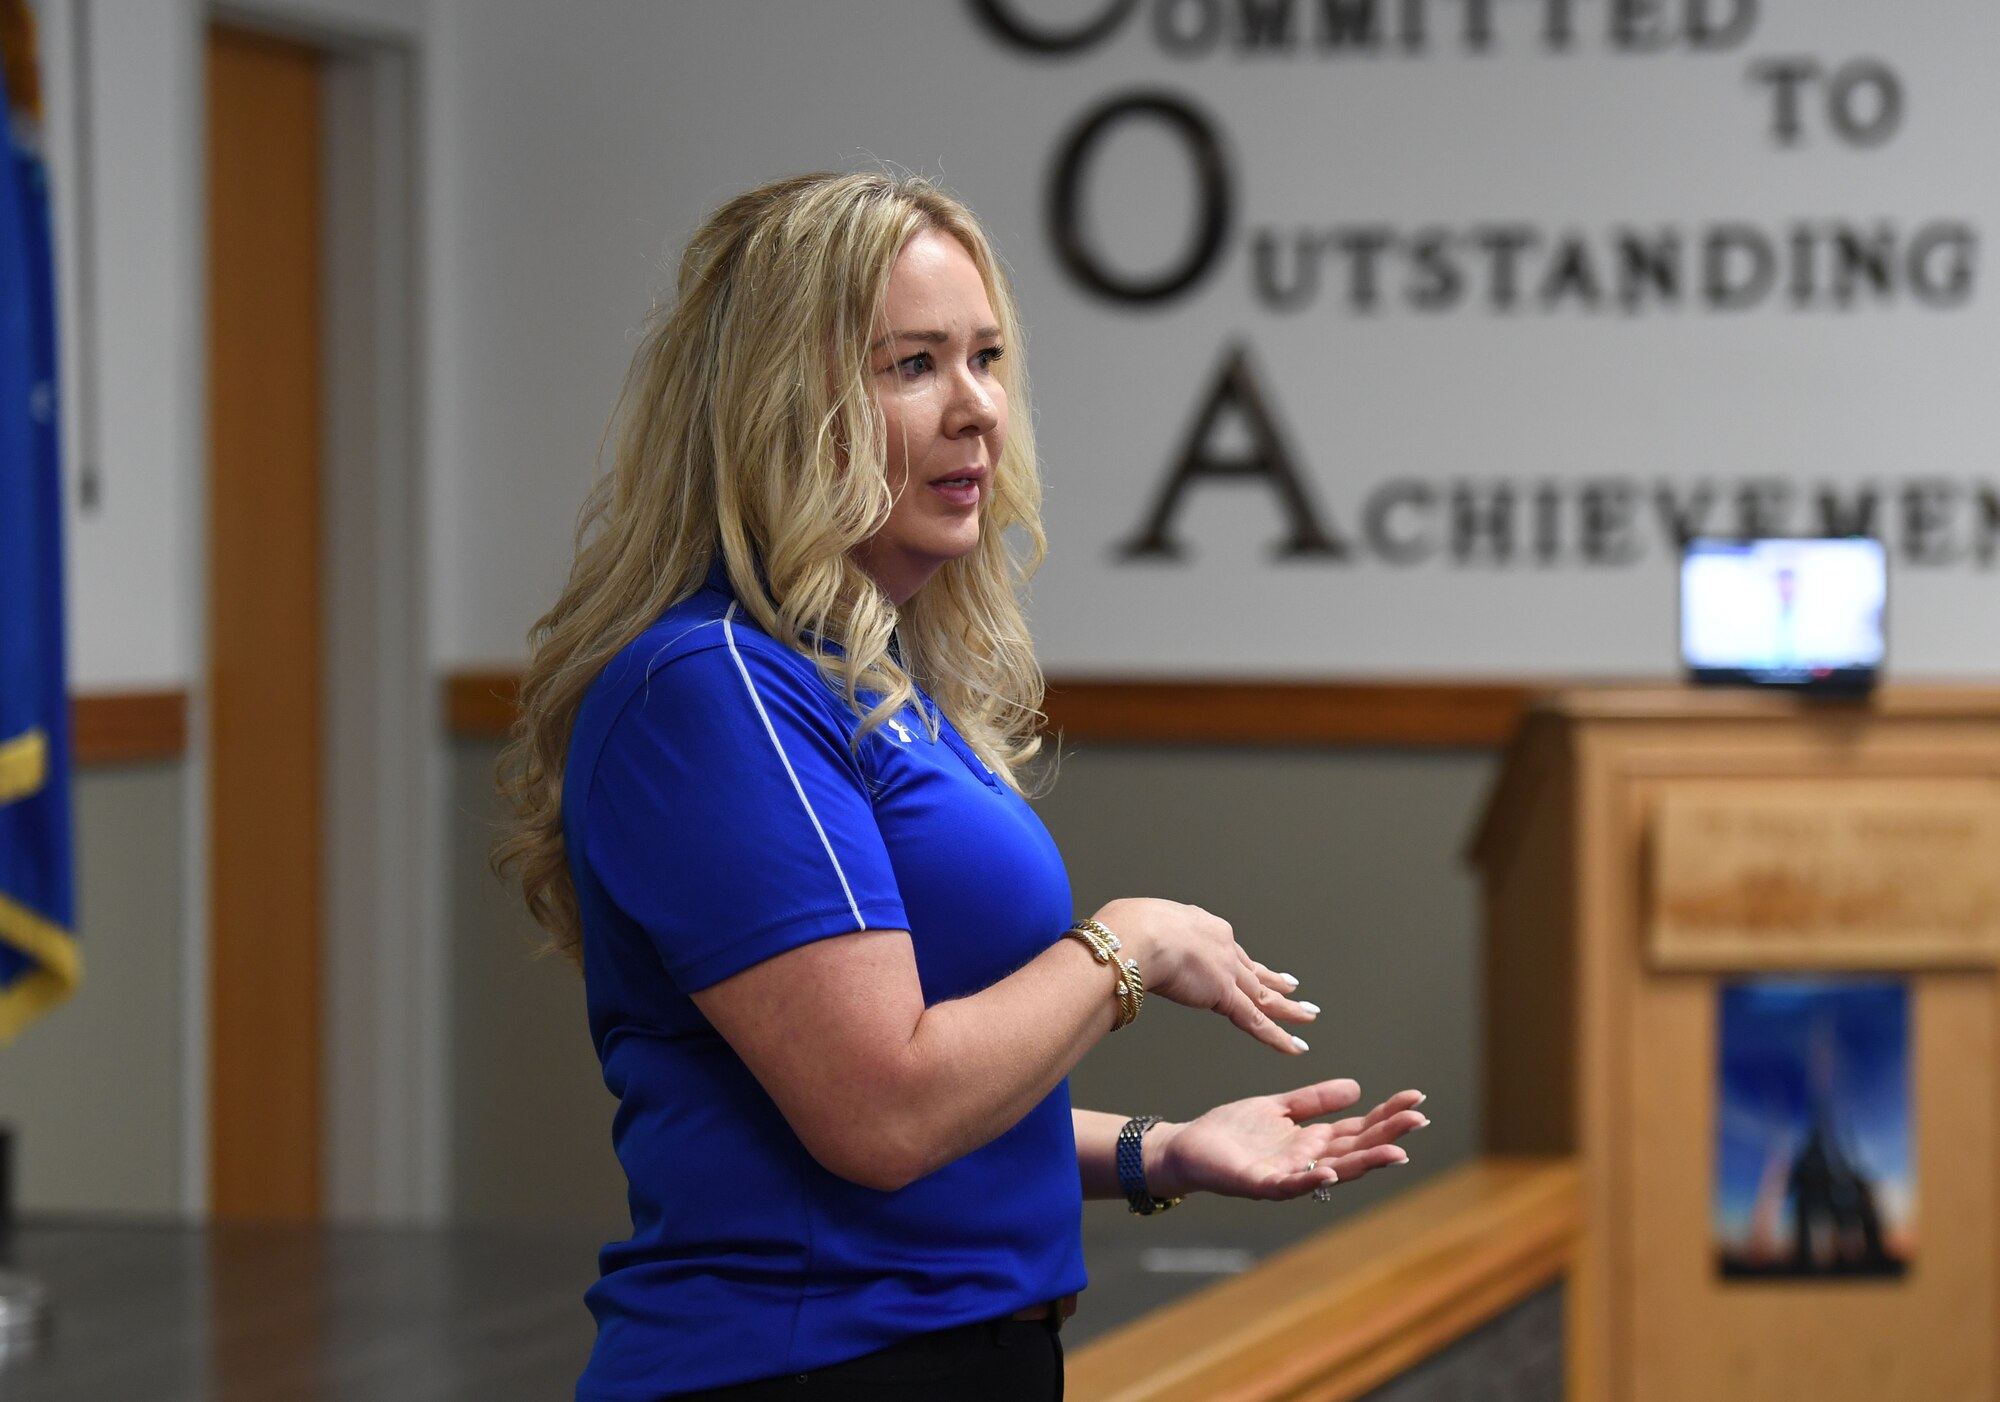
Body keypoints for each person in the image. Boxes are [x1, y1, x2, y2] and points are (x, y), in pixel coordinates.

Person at [496, 172, 1427, 1402]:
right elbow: (881, 1112)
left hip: (965, 1348)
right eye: (913, 365)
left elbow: (932, 1092)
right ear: (785, 404)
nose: (979, 409)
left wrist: (1161, 1151)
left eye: (986, 358)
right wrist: (1124, 945)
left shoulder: (868, 680)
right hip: (804, 1362)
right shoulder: (714, 685)